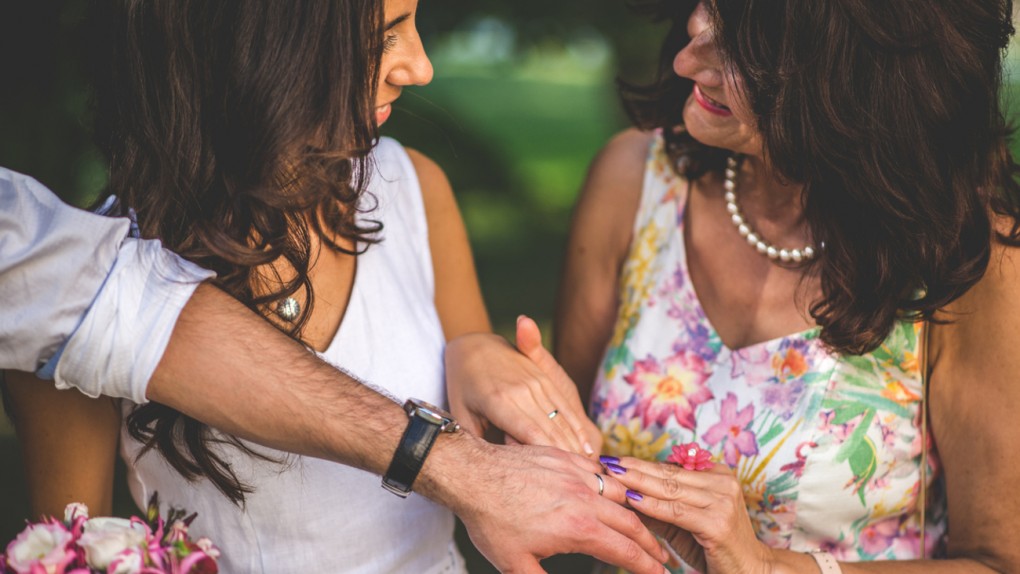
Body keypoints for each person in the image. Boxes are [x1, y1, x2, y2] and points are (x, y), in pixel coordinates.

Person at [1, 0, 668, 572]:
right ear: (262, 47)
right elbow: (71, 546)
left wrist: (479, 352)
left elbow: (485, 459)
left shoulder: (415, 189)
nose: (421, 67)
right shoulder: (75, 298)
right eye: (384, 36)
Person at [554, 0, 1020, 572]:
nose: (683, 60)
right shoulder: (634, 180)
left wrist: (769, 567)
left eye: (748, 49)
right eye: (707, 10)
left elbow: (999, 560)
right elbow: (558, 460)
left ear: (856, 82)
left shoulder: (965, 259)